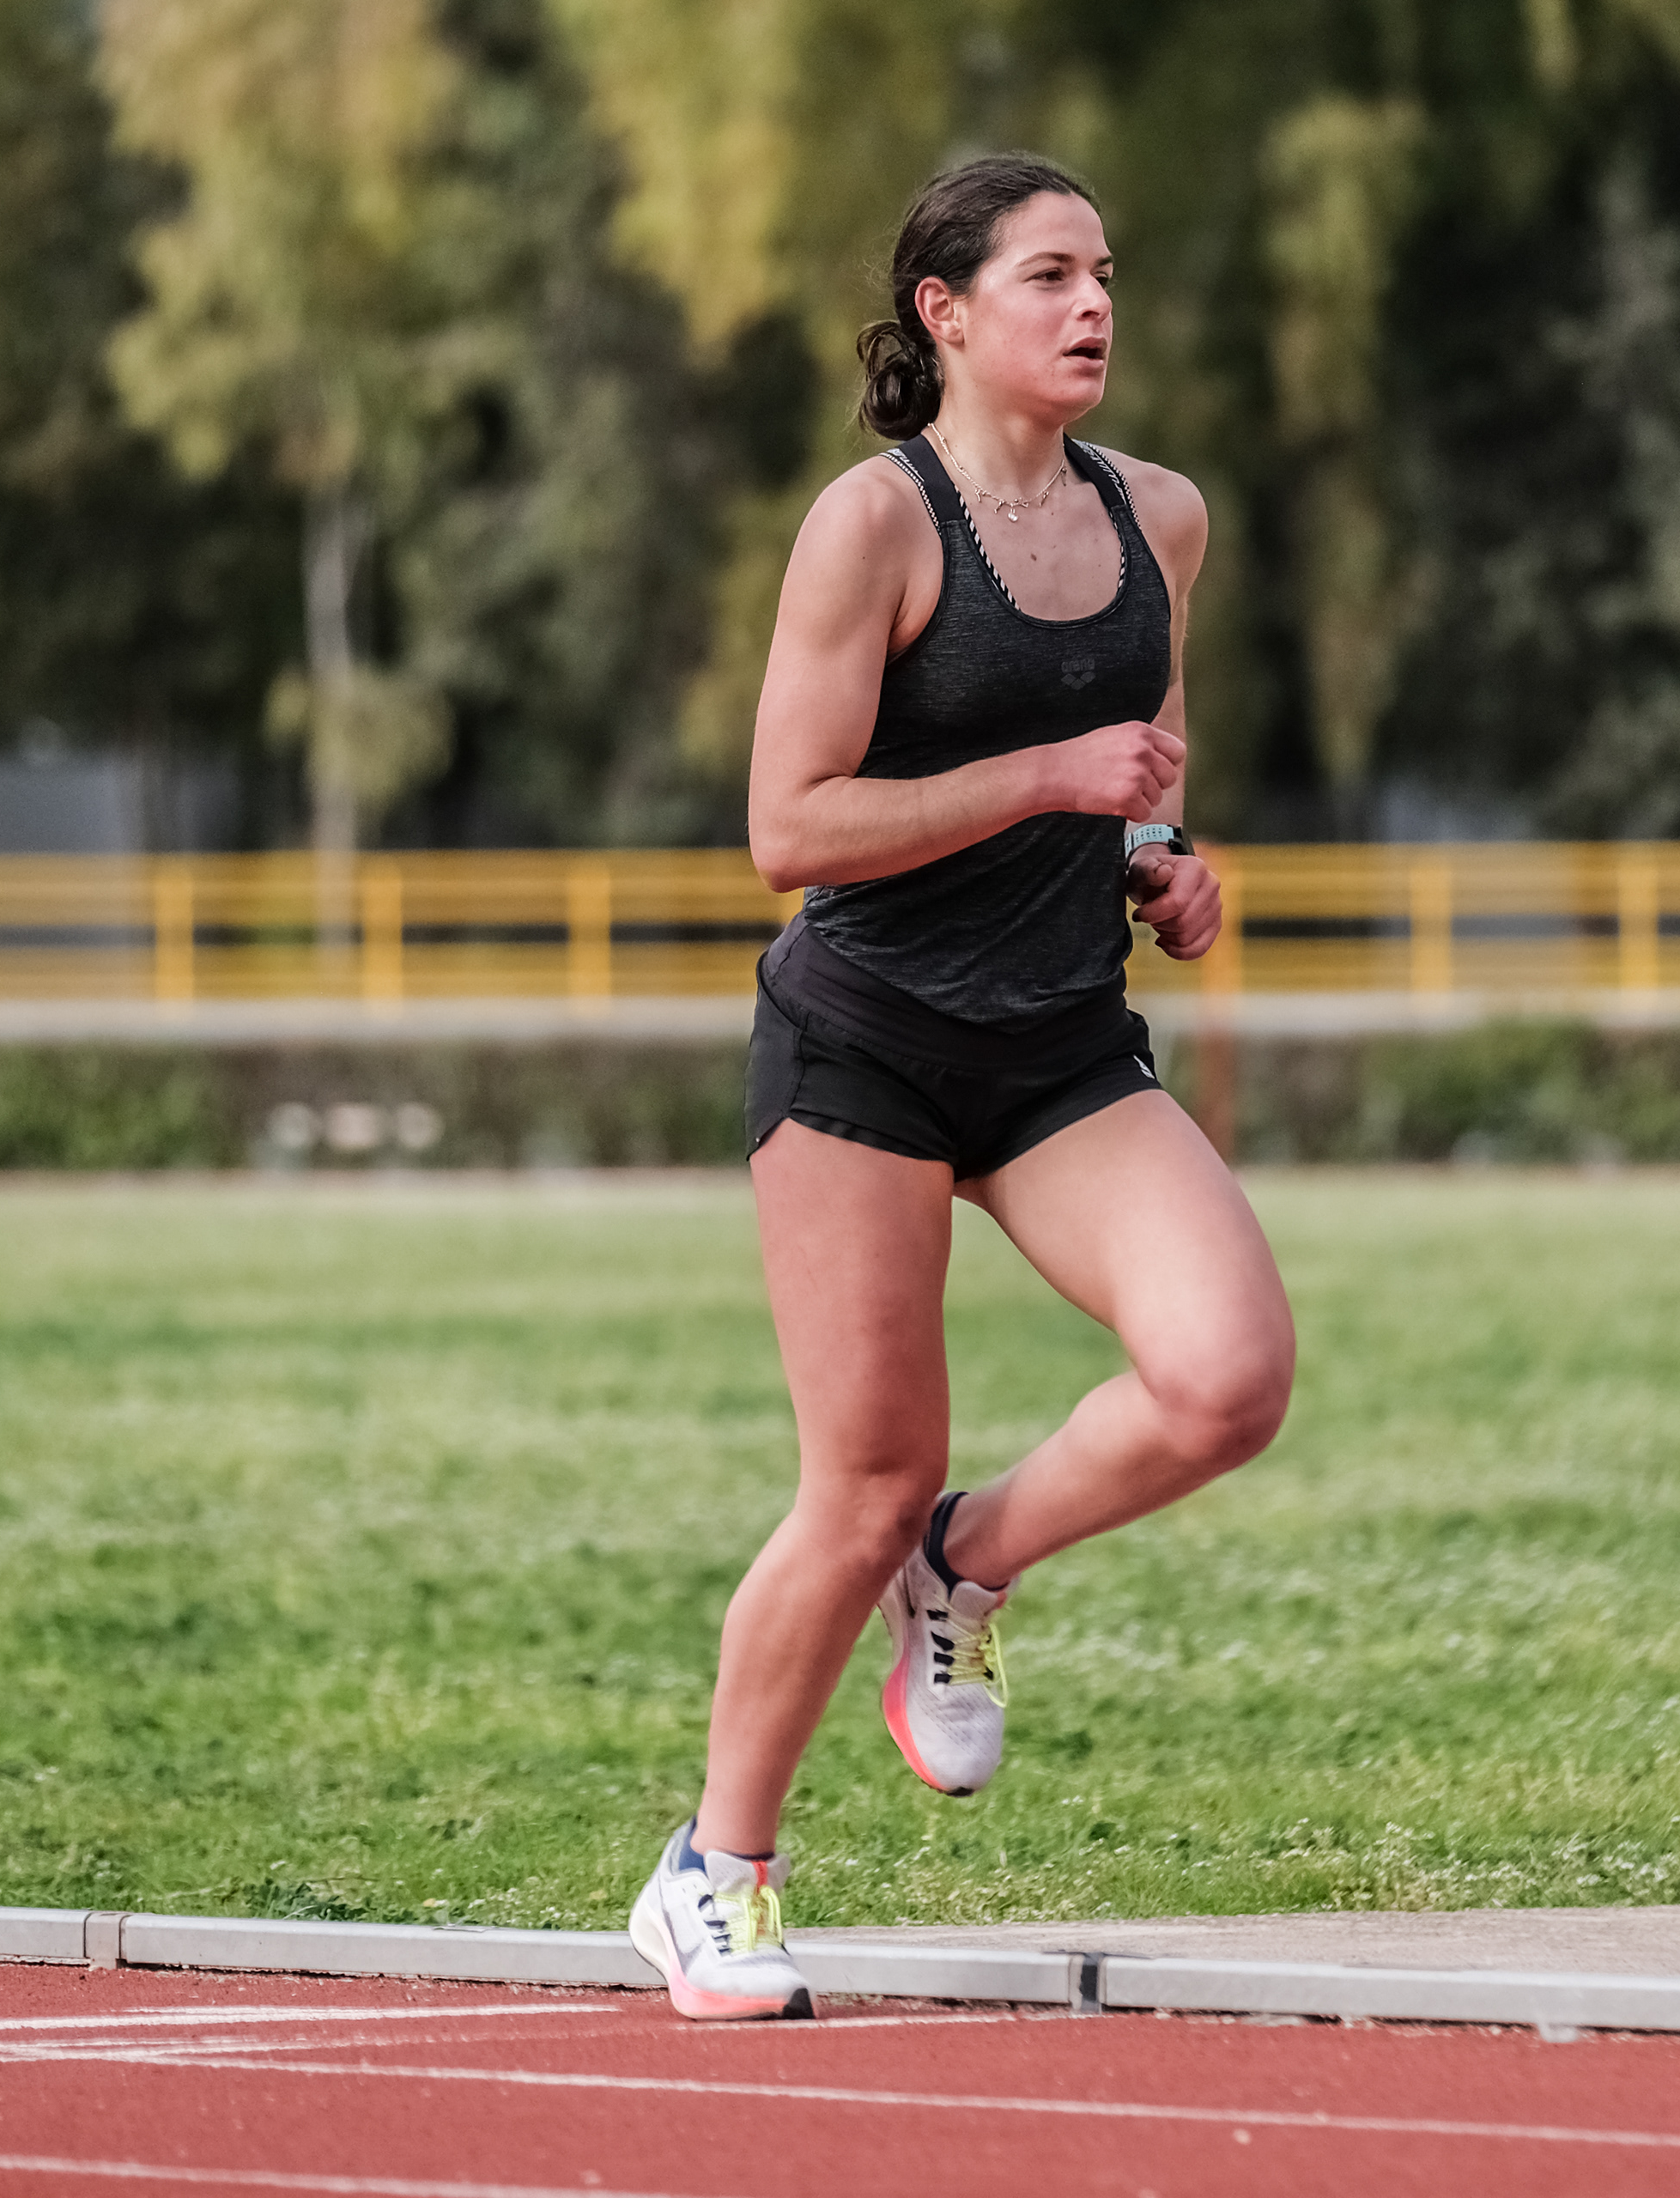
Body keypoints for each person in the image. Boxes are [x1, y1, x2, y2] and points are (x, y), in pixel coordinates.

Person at [627, 153, 1296, 2022]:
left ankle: (969, 1564)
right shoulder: (874, 526)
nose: (1094, 308)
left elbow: (1144, 772)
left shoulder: (1162, 515)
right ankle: (714, 1871)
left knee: (1230, 1376)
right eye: (1051, 276)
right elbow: (788, 825)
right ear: (948, 311)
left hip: (1061, 1041)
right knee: (857, 1473)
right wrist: (1050, 779)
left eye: (1106, 274)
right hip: (865, 1042)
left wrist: (1168, 860)